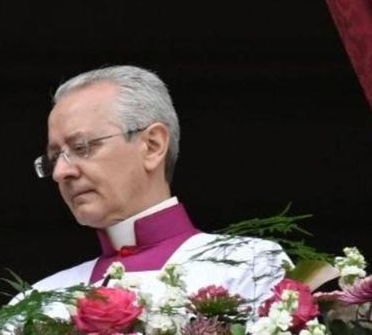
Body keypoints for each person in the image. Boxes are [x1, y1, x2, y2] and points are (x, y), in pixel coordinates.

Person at [30, 65, 286, 304]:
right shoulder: (40, 301)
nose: (61, 172)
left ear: (152, 145)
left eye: (82, 147)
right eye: (54, 158)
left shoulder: (249, 266)